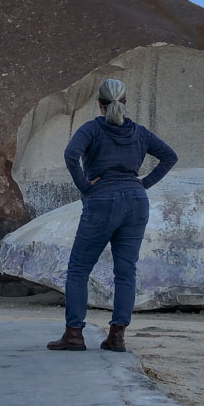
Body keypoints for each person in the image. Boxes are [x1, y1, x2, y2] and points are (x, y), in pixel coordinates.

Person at [47, 78, 178, 352]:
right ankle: (116, 336)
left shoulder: (92, 128)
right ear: (125, 102)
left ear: (100, 104)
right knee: (125, 272)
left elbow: (71, 155)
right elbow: (169, 156)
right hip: (136, 201)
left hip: (103, 200)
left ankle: (74, 335)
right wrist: (143, 183)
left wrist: (84, 185)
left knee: (79, 269)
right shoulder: (139, 132)